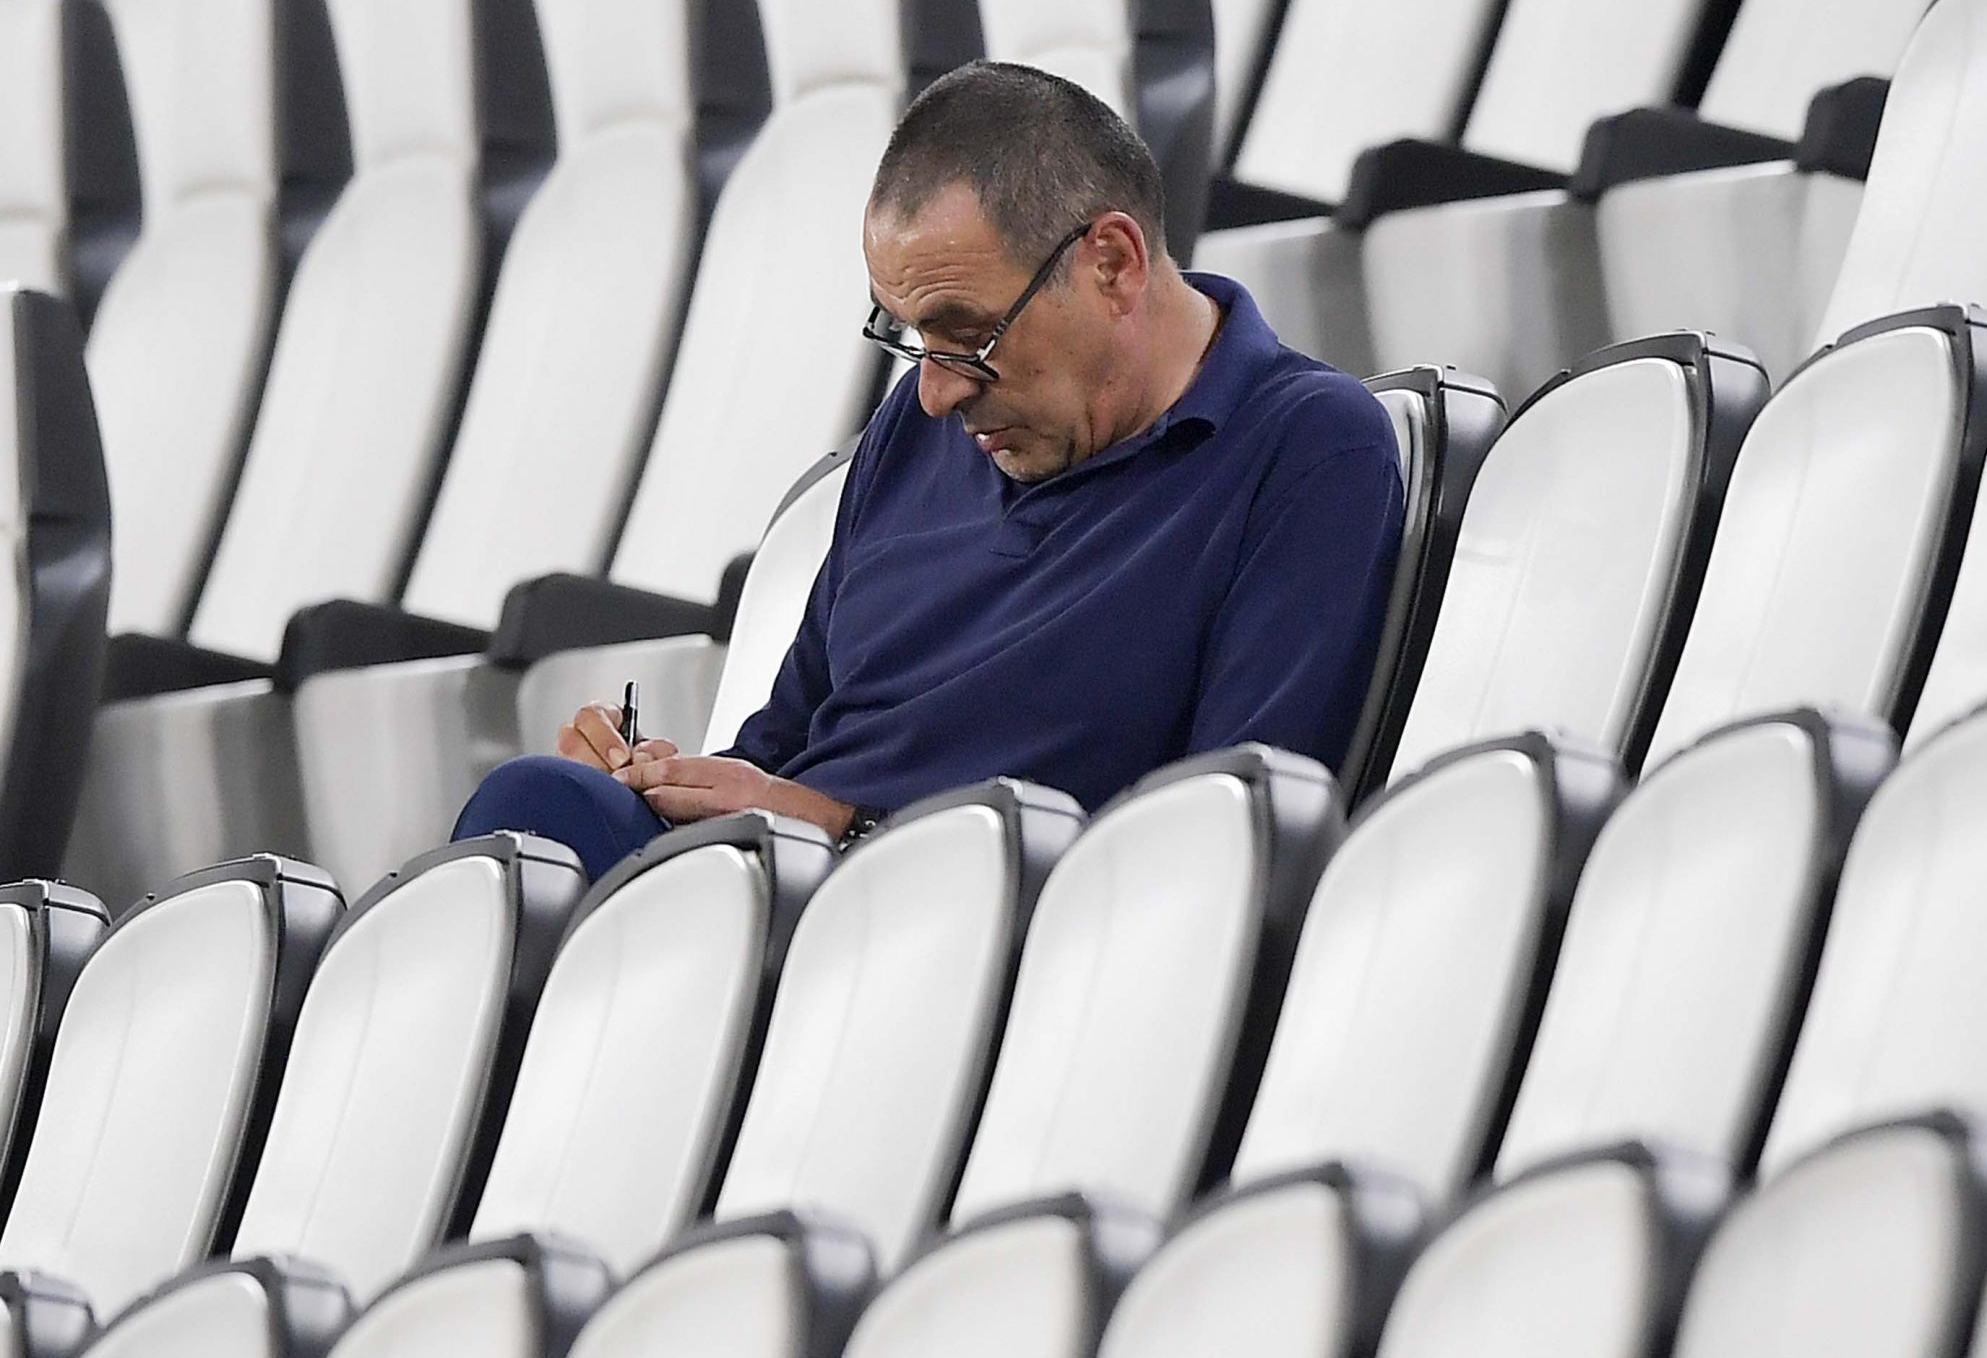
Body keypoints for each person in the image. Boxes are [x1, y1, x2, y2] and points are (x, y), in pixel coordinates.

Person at [454, 61, 1405, 880]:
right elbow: (778, 755)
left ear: (1112, 264)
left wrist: (844, 831)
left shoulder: (1306, 447)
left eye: (969, 335)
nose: (939, 392)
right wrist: (658, 783)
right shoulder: (912, 430)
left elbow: (1223, 852)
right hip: (781, 915)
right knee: (544, 825)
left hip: (983, 949)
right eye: (910, 337)